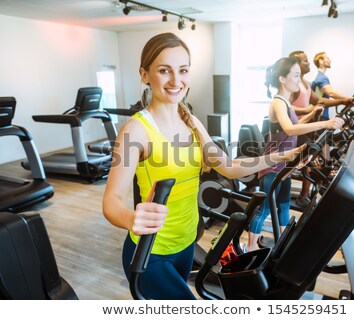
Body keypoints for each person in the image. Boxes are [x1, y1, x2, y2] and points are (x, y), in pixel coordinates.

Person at [102, 33, 303, 300]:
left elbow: (228, 166)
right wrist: (131, 218)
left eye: (183, 70)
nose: (176, 81)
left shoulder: (191, 122)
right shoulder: (135, 131)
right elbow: (111, 202)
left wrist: (279, 158)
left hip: (186, 244)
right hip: (151, 253)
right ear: (145, 74)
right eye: (164, 70)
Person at [247, 57, 344, 252]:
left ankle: (282, 245)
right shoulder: (278, 102)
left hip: (286, 164)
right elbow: (290, 130)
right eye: (296, 76)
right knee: (265, 208)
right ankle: (248, 250)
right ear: (282, 79)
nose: (299, 81)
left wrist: (311, 114)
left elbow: (294, 126)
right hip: (273, 165)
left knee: (284, 205)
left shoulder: (285, 102)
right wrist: (325, 123)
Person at [288, 50, 354, 210]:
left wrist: (345, 100)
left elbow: (320, 101)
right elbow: (286, 106)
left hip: (307, 127)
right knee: (311, 161)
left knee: (316, 160)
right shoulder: (294, 85)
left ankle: (307, 195)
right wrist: (307, 112)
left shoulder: (305, 83)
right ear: (296, 65)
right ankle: (303, 196)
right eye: (305, 61)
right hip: (298, 128)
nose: (308, 63)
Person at [311, 52, 354, 120]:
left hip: (322, 116)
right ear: (321, 61)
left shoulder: (320, 77)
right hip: (320, 117)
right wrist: (351, 99)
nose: (330, 60)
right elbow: (331, 93)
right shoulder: (321, 78)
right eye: (327, 58)